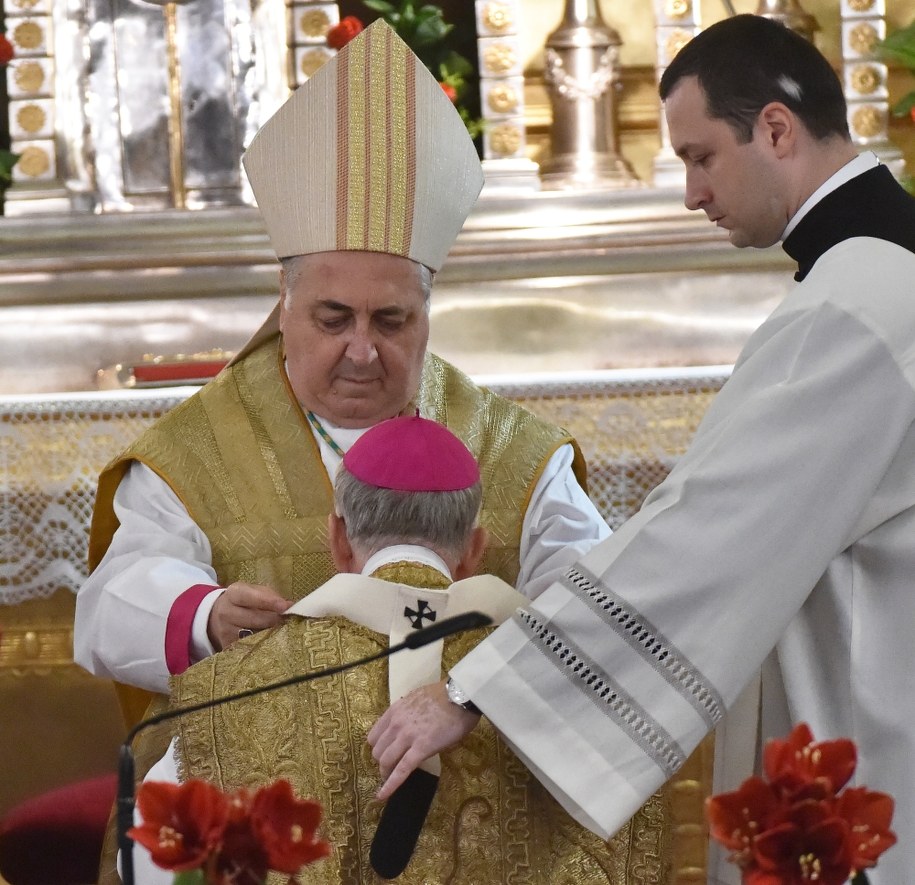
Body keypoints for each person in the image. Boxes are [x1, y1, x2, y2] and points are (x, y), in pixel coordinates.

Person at [367, 14, 915, 883]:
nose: (691, 193)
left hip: (869, 732)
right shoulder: (881, 275)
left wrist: (481, 689)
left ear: (774, 128)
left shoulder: (856, 305)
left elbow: (710, 532)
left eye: (700, 157)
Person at [73, 20, 609, 726]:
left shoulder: (512, 451)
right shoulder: (195, 452)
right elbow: (114, 604)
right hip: (261, 811)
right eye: (333, 319)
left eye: (390, 321)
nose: (362, 350)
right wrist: (203, 615)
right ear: (285, 303)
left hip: (458, 806)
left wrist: (479, 695)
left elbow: (599, 609)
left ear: (426, 310)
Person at [127, 416, 656, 884]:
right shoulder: (561, 680)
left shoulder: (232, 693)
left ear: (336, 539)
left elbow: (159, 861)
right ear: (474, 549)